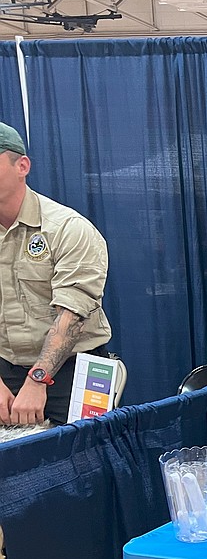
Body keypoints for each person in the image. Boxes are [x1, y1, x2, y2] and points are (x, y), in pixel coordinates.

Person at [0, 122, 111, 427]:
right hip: (5, 367)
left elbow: (71, 317)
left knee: (82, 450)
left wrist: (38, 380)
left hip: (71, 369)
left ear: (22, 166)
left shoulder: (67, 229)